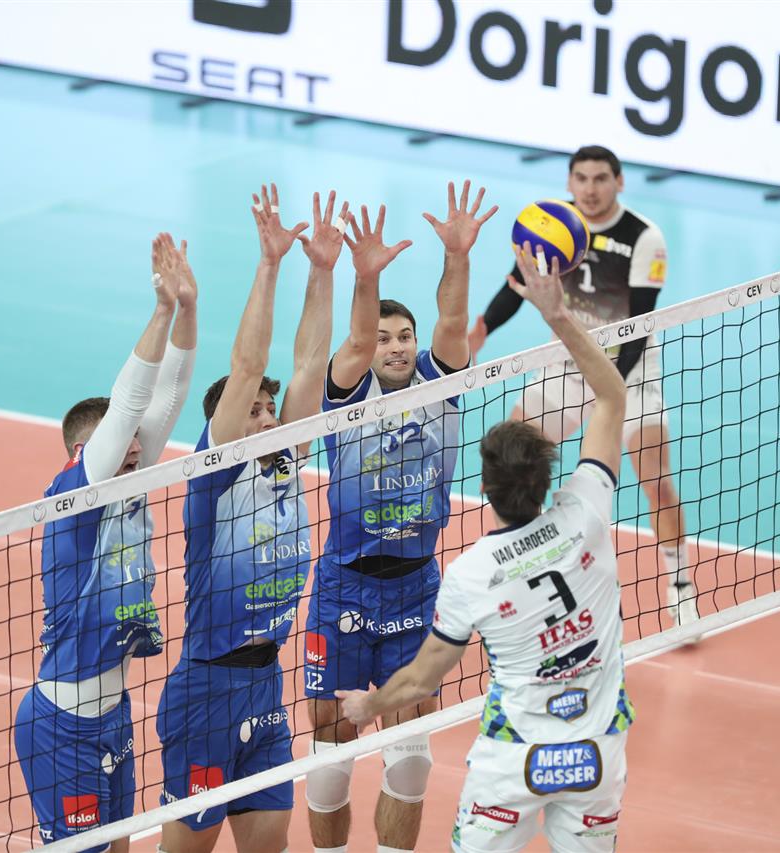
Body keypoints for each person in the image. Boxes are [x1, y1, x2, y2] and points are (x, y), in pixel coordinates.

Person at [338, 241, 634, 853]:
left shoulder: (471, 573)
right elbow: (611, 396)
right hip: (598, 752)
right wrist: (558, 314)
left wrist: (369, 706)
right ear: (548, 478)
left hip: (512, 763)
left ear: (483, 487)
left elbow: (420, 679)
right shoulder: (586, 513)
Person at [304, 182, 498, 853]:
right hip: (343, 587)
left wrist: (458, 257)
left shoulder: (439, 383)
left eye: (403, 336)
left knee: (412, 755)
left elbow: (452, 320)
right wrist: (366, 277)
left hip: (416, 589)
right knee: (331, 745)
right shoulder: (346, 394)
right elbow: (356, 339)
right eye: (384, 336)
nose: (393, 345)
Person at [156, 186, 346, 853]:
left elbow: (310, 363)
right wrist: (269, 266)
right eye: (255, 411)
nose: (268, 418)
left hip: (267, 683)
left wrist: (321, 272)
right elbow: (249, 366)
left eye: (272, 409)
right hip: (207, 687)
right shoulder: (215, 474)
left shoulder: (287, 456)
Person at [14, 233, 198, 850]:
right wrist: (161, 309)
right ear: (81, 453)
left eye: (137, 444)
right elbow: (130, 403)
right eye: (124, 444)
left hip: (112, 716)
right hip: (62, 725)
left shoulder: (130, 481)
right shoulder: (76, 495)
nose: (137, 450)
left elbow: (169, 393)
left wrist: (189, 306)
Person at [469, 145, 698, 632]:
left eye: (600, 179)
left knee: (657, 480)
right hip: (564, 365)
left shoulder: (643, 237)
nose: (590, 189)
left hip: (630, 371)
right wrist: (481, 329)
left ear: (619, 182)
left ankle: (681, 587)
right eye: (582, 179)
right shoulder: (551, 225)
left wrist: (608, 391)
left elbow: (638, 326)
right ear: (569, 182)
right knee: (512, 462)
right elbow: (516, 287)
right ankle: (523, 573)